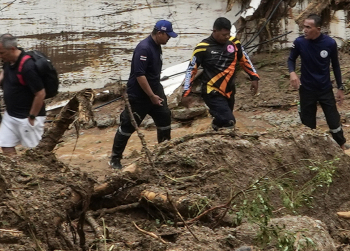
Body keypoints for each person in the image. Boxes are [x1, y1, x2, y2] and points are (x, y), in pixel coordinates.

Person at [110, 20, 177, 170]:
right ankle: (115, 159)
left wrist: (156, 93)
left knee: (165, 118)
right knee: (128, 125)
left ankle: (164, 154)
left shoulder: (157, 46)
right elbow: (140, 75)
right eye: (168, 35)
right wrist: (151, 96)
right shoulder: (144, 49)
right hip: (140, 95)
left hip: (155, 91)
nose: (169, 39)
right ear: (159, 33)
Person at [182, 17, 259, 130]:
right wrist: (186, 92)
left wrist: (254, 77)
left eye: (228, 34)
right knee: (229, 121)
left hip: (229, 90)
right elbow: (191, 70)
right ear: (215, 31)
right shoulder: (202, 47)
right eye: (223, 35)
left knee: (223, 121)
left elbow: (244, 60)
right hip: (211, 90)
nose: (226, 37)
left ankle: (215, 130)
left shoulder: (234, 43)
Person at [288, 13, 348, 149]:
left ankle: (341, 146)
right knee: (308, 123)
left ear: (318, 29)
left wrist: (340, 87)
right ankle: (311, 151)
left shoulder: (329, 43)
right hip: (307, 89)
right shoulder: (299, 42)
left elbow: (336, 66)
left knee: (333, 120)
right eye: (304, 27)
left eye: (308, 27)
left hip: (324, 88)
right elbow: (291, 59)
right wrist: (292, 73)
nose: (305, 30)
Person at [0, 34, 47, 154]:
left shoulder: (27, 67)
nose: (0, 56)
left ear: (12, 49)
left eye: (2, 53)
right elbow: (5, 71)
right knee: (5, 144)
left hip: (27, 117)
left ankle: (37, 172)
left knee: (36, 153)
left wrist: (31, 117)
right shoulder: (8, 60)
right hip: (11, 115)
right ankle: (16, 170)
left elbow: (40, 94)